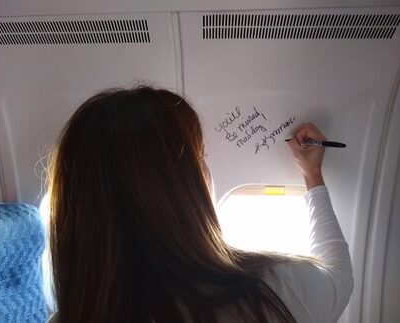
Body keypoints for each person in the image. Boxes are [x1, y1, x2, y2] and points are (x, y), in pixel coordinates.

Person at [47, 86, 353, 323]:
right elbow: (340, 279)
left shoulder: (70, 317)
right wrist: (312, 175)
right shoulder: (272, 291)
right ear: (184, 188)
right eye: (201, 159)